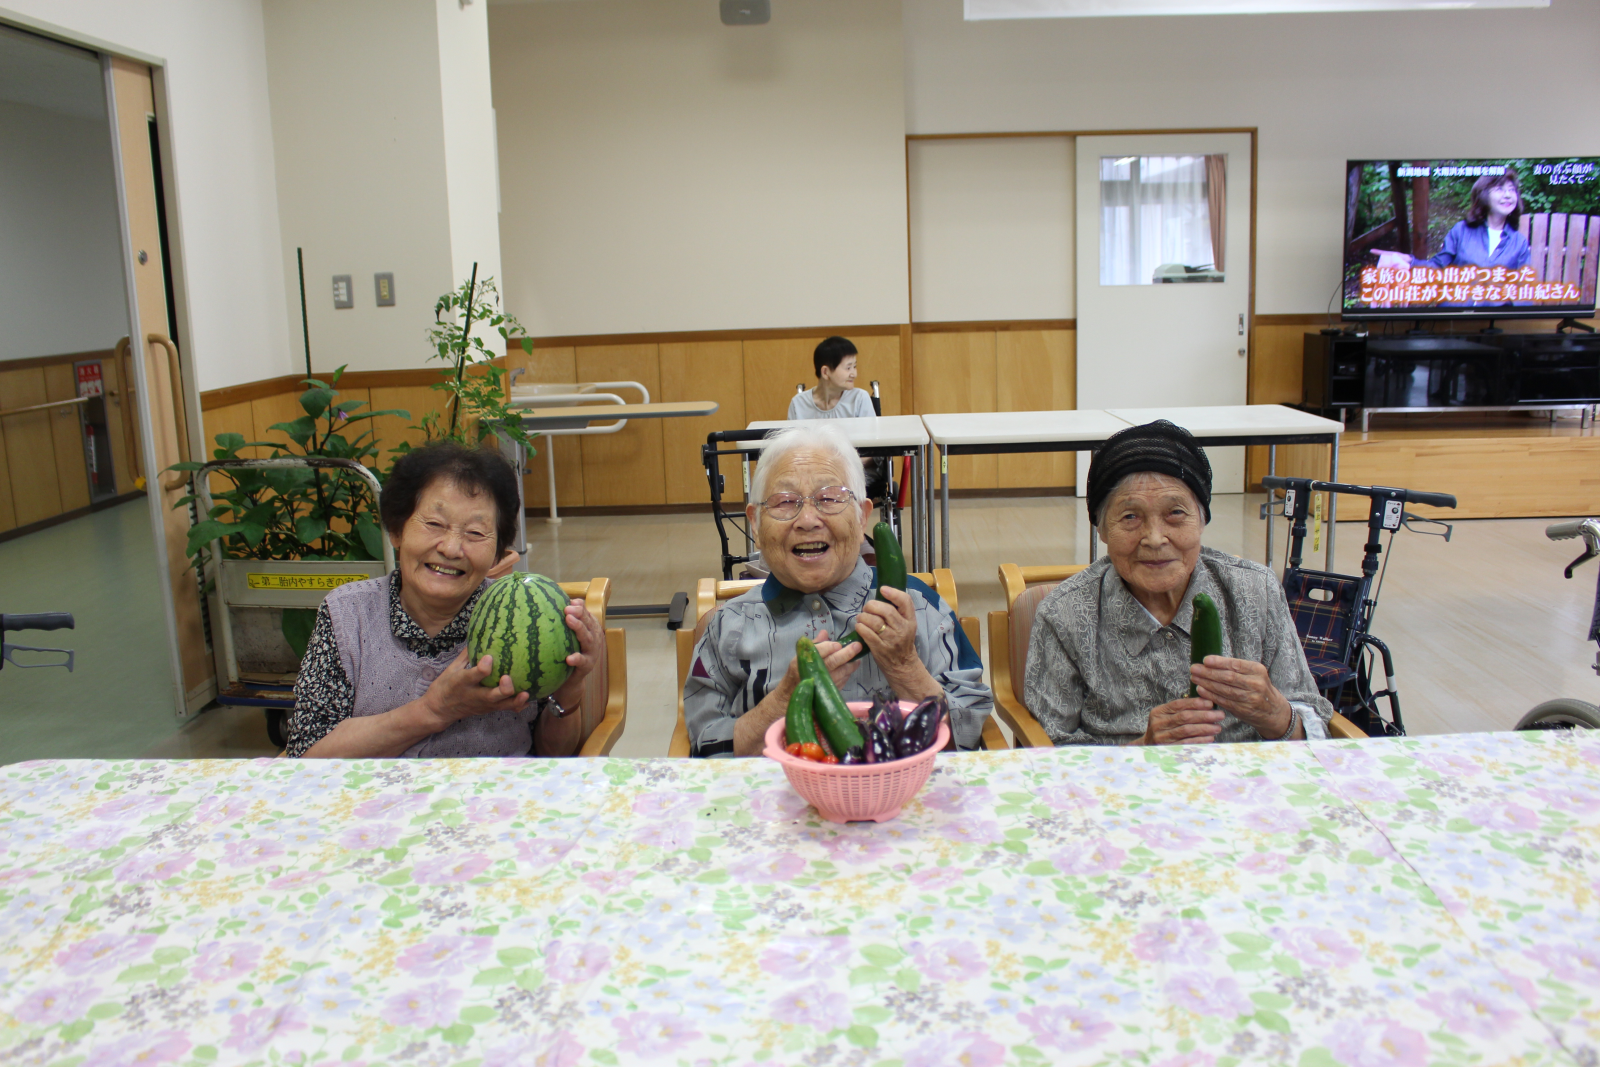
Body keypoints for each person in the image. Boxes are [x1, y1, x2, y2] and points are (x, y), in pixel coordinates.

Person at [683, 424, 991, 756]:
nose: (808, 520)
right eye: (786, 502)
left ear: (862, 518)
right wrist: (786, 699)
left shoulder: (919, 607)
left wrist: (904, 665)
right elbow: (706, 746)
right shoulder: (729, 626)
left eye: (829, 498)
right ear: (755, 524)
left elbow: (969, 733)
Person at [286, 441, 604, 758]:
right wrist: (435, 710)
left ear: (497, 553)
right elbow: (306, 756)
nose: (451, 549)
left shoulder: (523, 621)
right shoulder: (347, 614)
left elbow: (553, 759)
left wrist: (569, 689)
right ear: (396, 531)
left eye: (476, 533)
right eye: (434, 524)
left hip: (495, 803)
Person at [1023, 420, 1333, 746]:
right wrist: (1142, 750)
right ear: (1101, 530)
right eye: (1130, 517)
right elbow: (1048, 753)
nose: (1155, 539)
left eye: (1175, 513)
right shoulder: (1066, 615)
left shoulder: (1256, 591)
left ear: (1202, 520)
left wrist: (1275, 713)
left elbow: (1316, 728)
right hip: (1122, 791)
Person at [1378, 169, 1531, 274]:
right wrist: (1410, 263)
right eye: (1500, 189)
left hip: (1495, 319)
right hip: (1454, 315)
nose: (1508, 195)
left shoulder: (1519, 243)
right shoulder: (1462, 231)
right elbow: (1438, 266)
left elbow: (1523, 291)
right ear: (1484, 195)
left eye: (1511, 190)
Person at [787, 336, 875, 421]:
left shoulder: (859, 399)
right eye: (848, 368)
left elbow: (871, 435)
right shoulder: (798, 403)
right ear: (825, 372)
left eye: (854, 366)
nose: (854, 374)